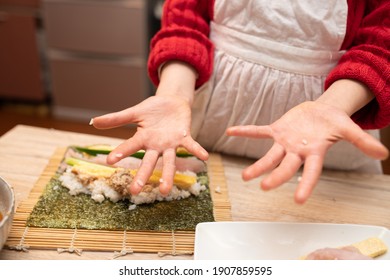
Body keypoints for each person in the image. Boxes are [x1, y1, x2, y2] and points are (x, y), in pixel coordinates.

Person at [90, 0, 390, 203]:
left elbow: (381, 46)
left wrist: (330, 109)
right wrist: (173, 95)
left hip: (327, 137)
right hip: (215, 121)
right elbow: (186, 22)